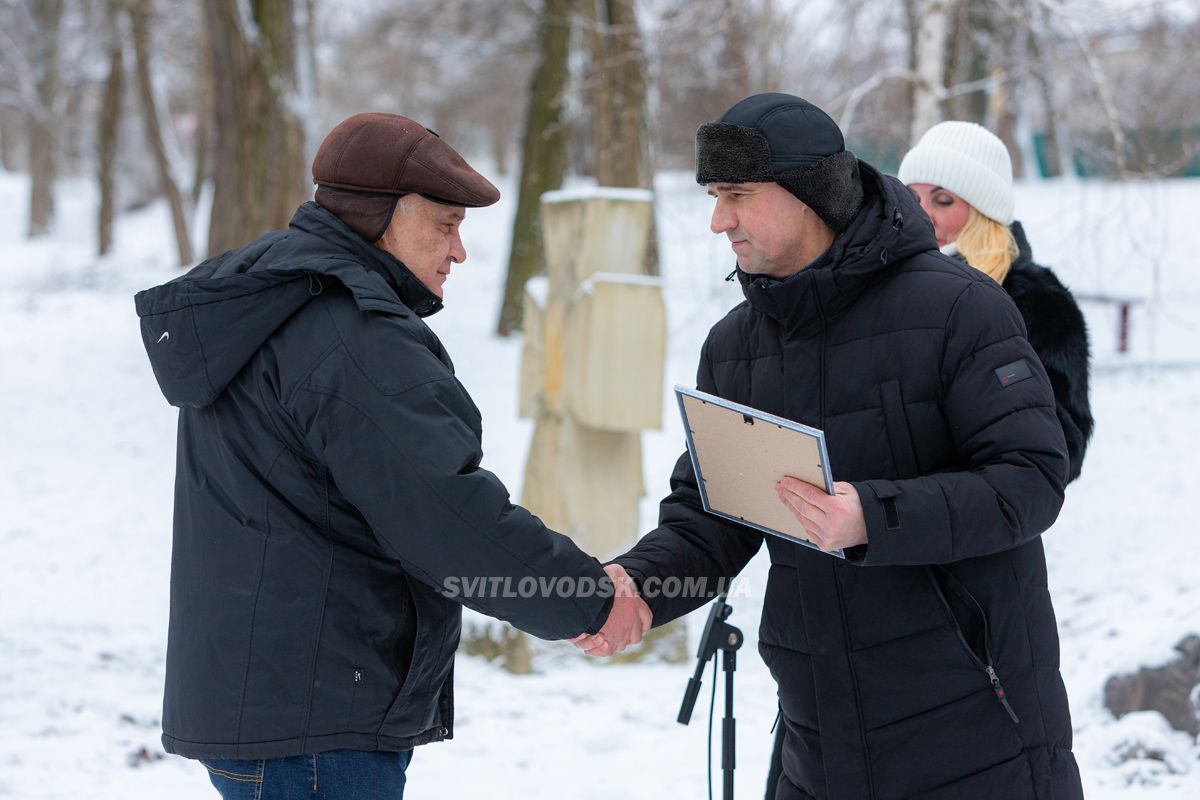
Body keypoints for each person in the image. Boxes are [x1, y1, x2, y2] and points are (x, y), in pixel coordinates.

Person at [574, 94, 1084, 799]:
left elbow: (1031, 479)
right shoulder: (736, 346)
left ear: (809, 193)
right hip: (820, 737)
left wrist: (873, 517)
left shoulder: (960, 309)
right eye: (715, 197)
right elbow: (714, 515)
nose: (718, 220)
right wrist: (638, 587)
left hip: (977, 725)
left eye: (737, 195)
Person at [134, 112, 650, 799]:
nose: (459, 251)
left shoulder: (271, 301)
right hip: (316, 723)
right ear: (381, 215)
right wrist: (587, 600)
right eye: (445, 226)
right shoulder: (350, 334)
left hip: (271, 703)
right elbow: (446, 515)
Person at [899, 120, 1093, 482]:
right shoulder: (887, 288)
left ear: (984, 213)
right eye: (912, 199)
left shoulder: (1034, 301)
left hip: (978, 520)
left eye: (943, 200)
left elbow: (1064, 446)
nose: (922, 214)